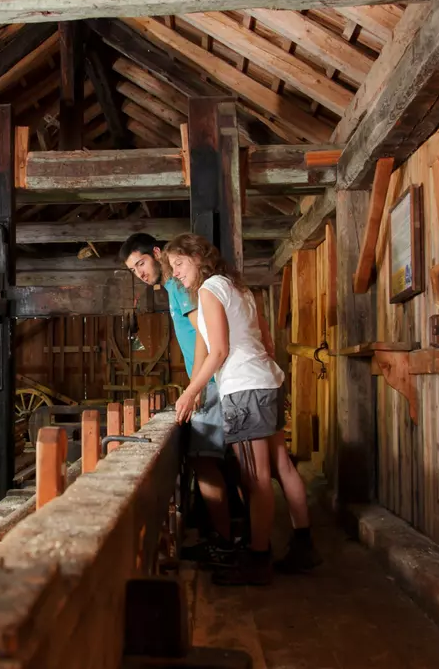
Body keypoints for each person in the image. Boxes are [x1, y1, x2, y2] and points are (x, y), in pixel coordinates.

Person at [121, 234, 320, 578]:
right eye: (173, 267)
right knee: (281, 467)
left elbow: (218, 349)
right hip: (265, 379)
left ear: (198, 258)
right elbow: (267, 342)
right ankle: (303, 544)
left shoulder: (209, 290)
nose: (176, 273)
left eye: (180, 264)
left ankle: (257, 559)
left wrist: (192, 390)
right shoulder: (239, 287)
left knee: (255, 478)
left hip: (242, 386)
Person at [121, 233, 237, 568]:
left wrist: (196, 384)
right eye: (133, 270)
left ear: (157, 254)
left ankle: (224, 544)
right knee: (214, 460)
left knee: (203, 459)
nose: (140, 273)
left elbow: (203, 332)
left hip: (210, 382)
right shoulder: (174, 287)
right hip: (210, 380)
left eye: (141, 263)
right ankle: (225, 537)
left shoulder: (177, 285)